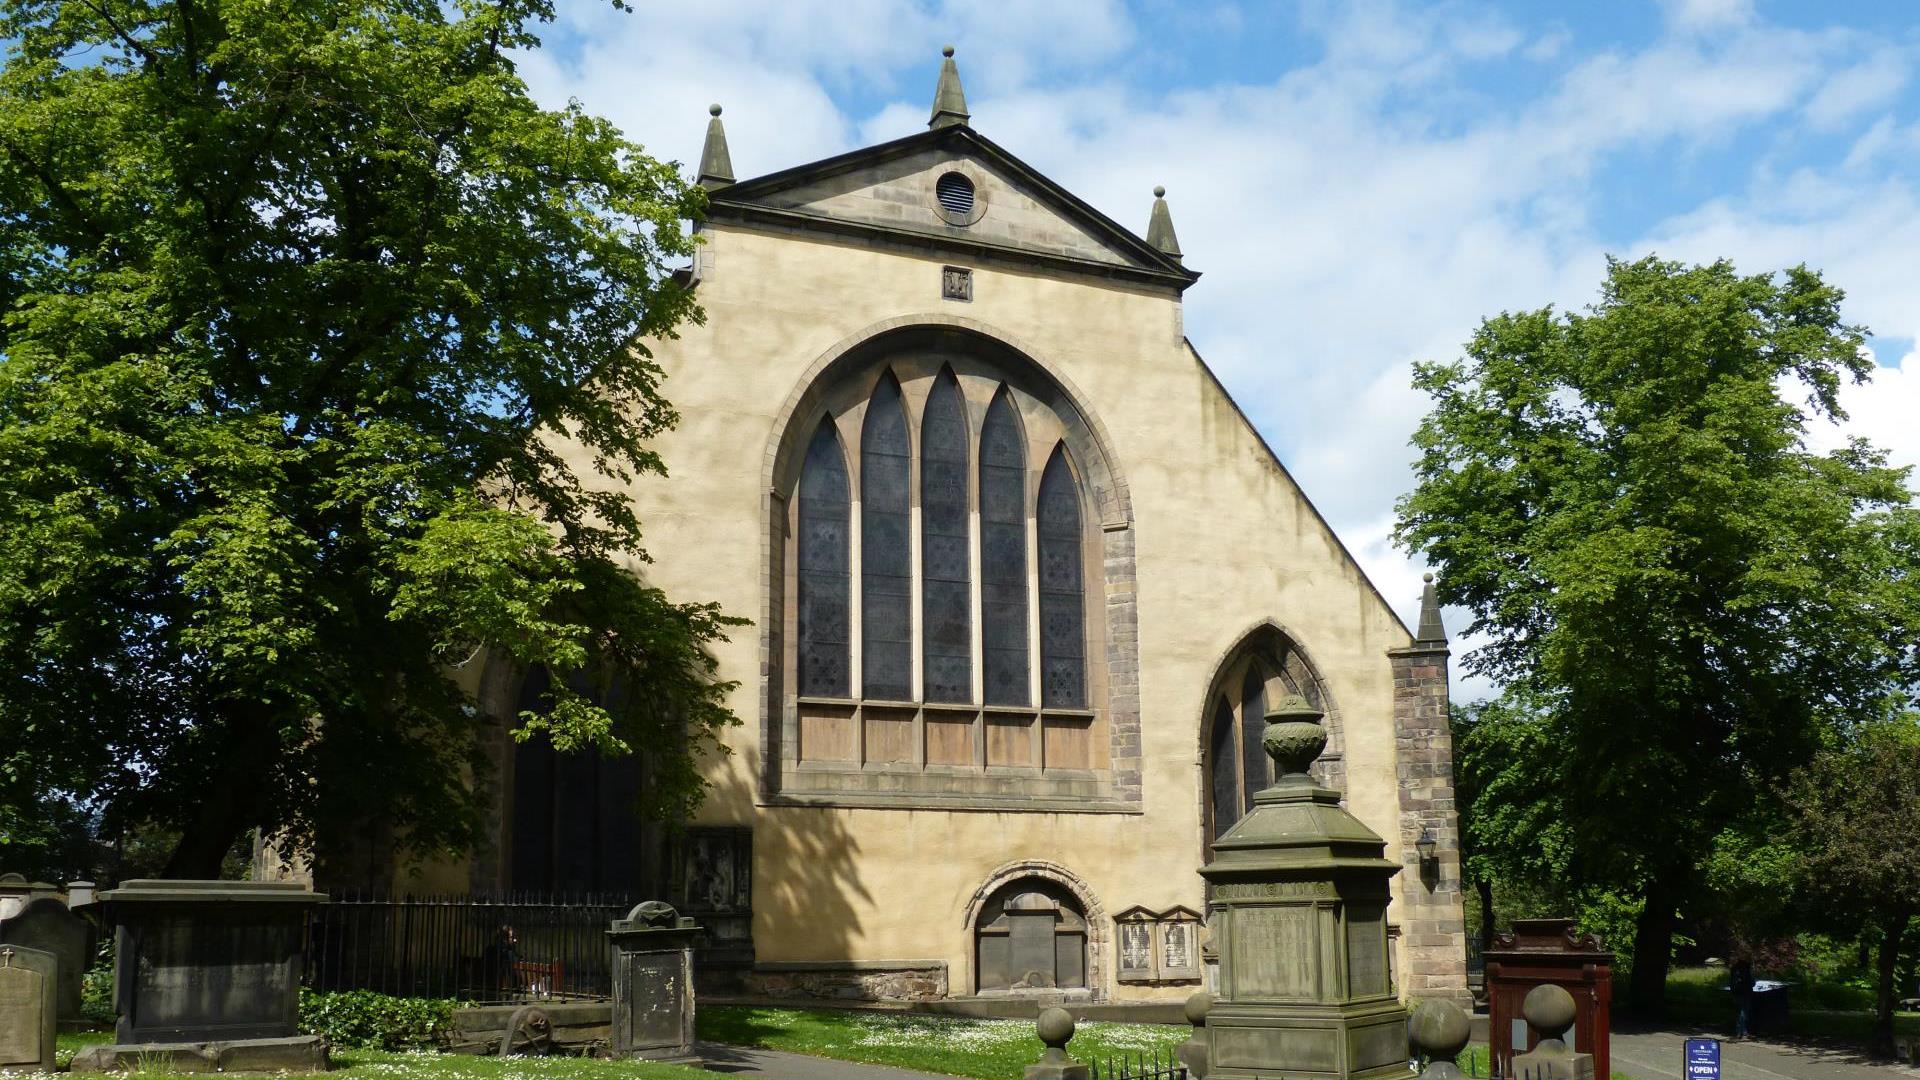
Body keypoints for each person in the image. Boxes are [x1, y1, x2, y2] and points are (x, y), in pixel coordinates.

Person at [1730, 956, 1755, 1040]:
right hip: (1746, 993)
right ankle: (1743, 1032)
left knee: (1740, 1012)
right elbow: (1752, 983)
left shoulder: (1734, 970)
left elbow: (1732, 983)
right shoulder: (1746, 970)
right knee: (1744, 1013)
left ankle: (1740, 1032)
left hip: (1737, 993)